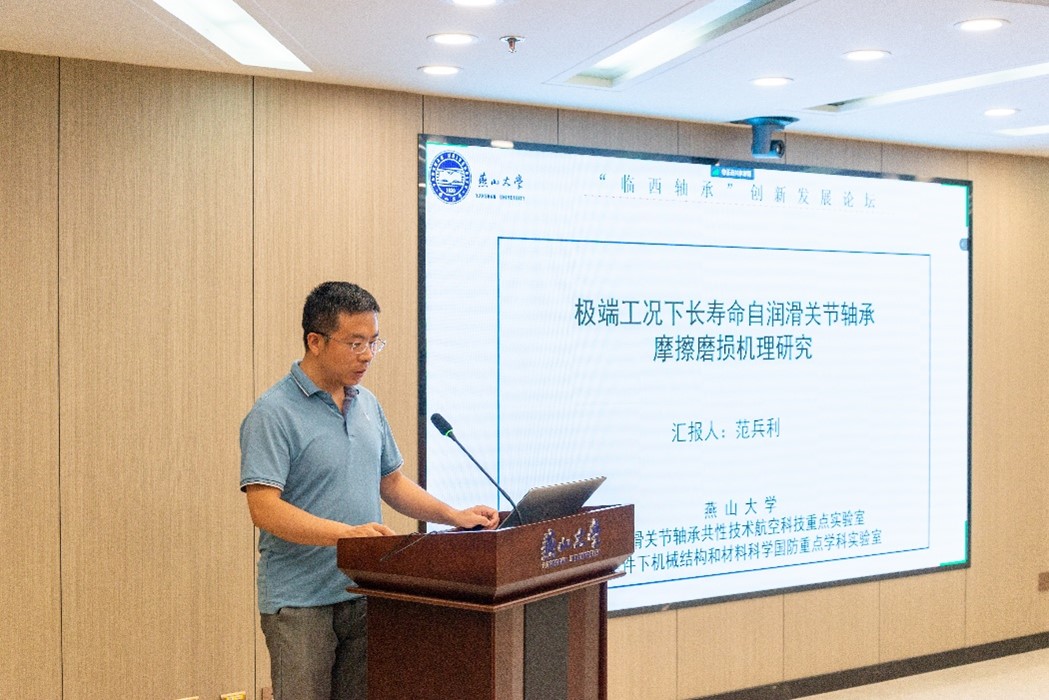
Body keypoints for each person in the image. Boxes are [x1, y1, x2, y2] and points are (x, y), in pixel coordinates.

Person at [240, 281, 499, 700]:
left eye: (374, 343)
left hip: (363, 589)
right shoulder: (273, 413)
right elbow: (265, 509)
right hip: (300, 602)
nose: (366, 355)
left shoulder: (366, 404)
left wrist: (453, 515)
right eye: (355, 343)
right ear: (315, 342)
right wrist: (346, 535)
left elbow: (391, 482)